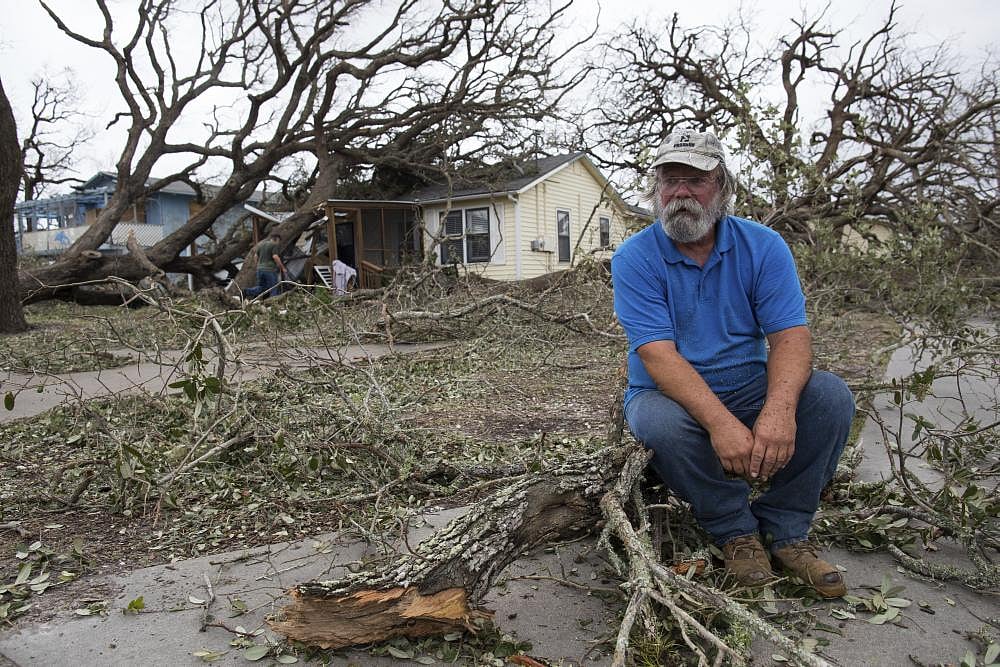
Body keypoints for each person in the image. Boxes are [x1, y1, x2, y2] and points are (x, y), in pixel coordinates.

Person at [611, 129, 855, 598]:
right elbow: (658, 355)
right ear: (656, 189)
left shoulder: (764, 245)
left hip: (748, 384)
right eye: (670, 180)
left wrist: (779, 411)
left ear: (722, 187)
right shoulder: (634, 257)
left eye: (695, 180)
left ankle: (787, 530)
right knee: (658, 423)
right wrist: (722, 425)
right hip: (666, 394)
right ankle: (735, 531)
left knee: (830, 396)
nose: (681, 192)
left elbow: (790, 337)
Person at [244, 231, 287, 300]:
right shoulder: (274, 245)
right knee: (274, 288)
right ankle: (273, 302)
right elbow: (275, 257)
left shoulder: (261, 245)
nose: (278, 243)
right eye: (279, 241)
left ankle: (246, 291)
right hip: (270, 270)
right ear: (276, 239)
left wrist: (258, 265)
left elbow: (255, 256)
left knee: (262, 287)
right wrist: (282, 268)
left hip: (260, 270)